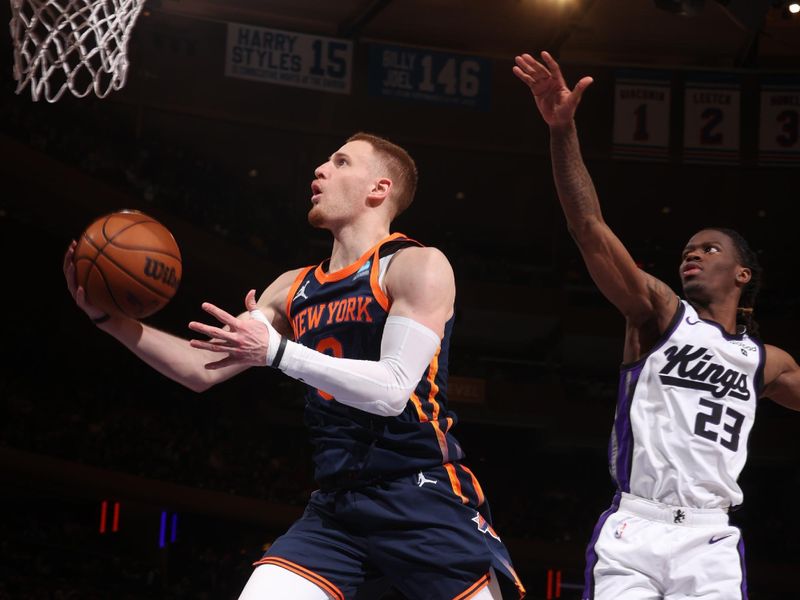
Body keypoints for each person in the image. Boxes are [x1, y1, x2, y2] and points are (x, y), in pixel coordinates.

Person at [64, 132, 526, 600]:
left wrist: (278, 352)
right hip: (337, 507)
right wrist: (110, 321)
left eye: (341, 162)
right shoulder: (292, 287)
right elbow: (199, 369)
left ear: (379, 189)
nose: (321, 170)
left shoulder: (416, 266)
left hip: (421, 495)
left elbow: (392, 391)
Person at [513, 52, 800, 600]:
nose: (691, 255)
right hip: (636, 527)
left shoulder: (767, 361)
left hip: (710, 535)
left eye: (708, 248)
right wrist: (562, 131)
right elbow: (588, 226)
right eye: (687, 250)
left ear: (742, 272)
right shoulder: (661, 312)